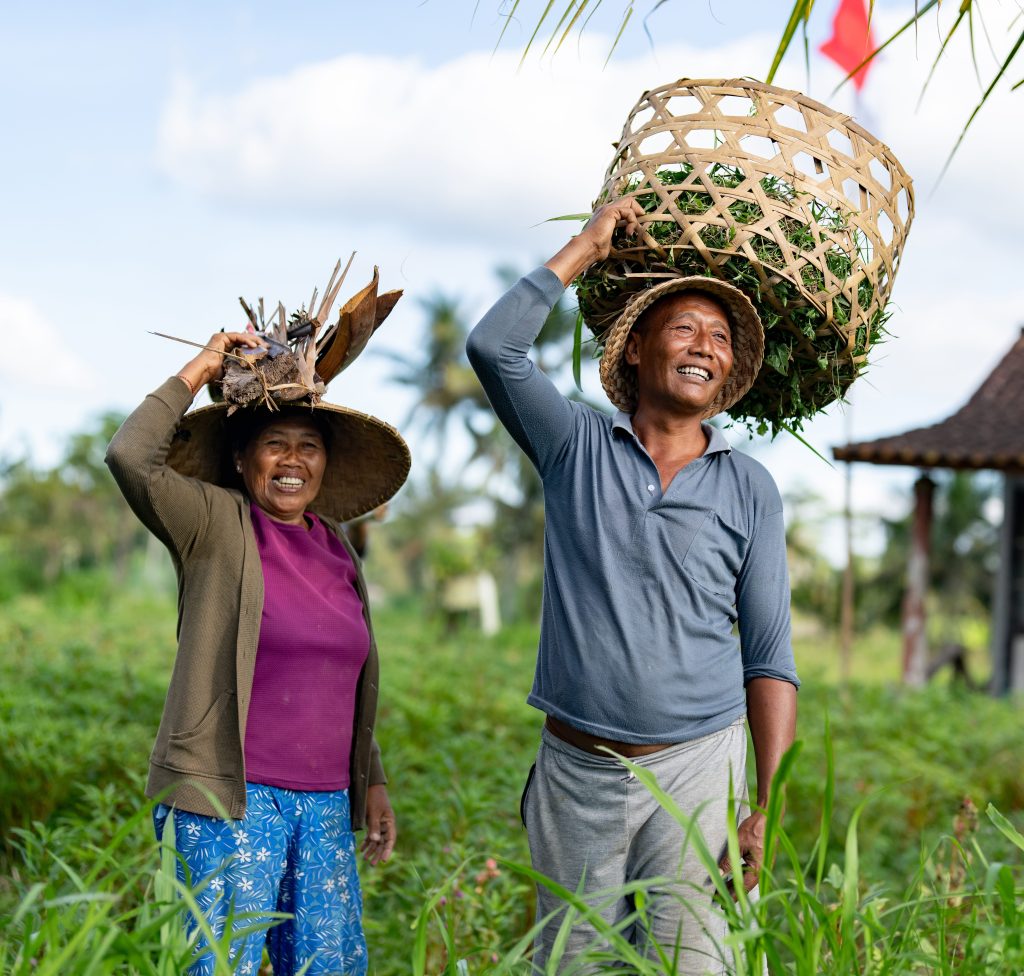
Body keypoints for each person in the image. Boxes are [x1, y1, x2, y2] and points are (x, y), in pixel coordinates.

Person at [466, 198, 799, 974]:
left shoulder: (750, 487)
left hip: (699, 770)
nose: (703, 346)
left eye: (719, 338)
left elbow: (770, 658)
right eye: (684, 328)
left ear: (727, 374)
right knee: (574, 964)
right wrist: (586, 245)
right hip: (578, 773)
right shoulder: (575, 444)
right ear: (640, 348)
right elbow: (494, 347)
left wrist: (765, 810)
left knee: (695, 965)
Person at [106, 328, 410, 976]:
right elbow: (131, 455)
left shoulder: (337, 549)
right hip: (231, 805)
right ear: (244, 461)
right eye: (276, 444)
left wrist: (372, 778)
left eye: (308, 446)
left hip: (326, 808)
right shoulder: (214, 525)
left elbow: (339, 676)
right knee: (218, 966)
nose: (292, 460)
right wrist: (205, 364)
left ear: (325, 464)